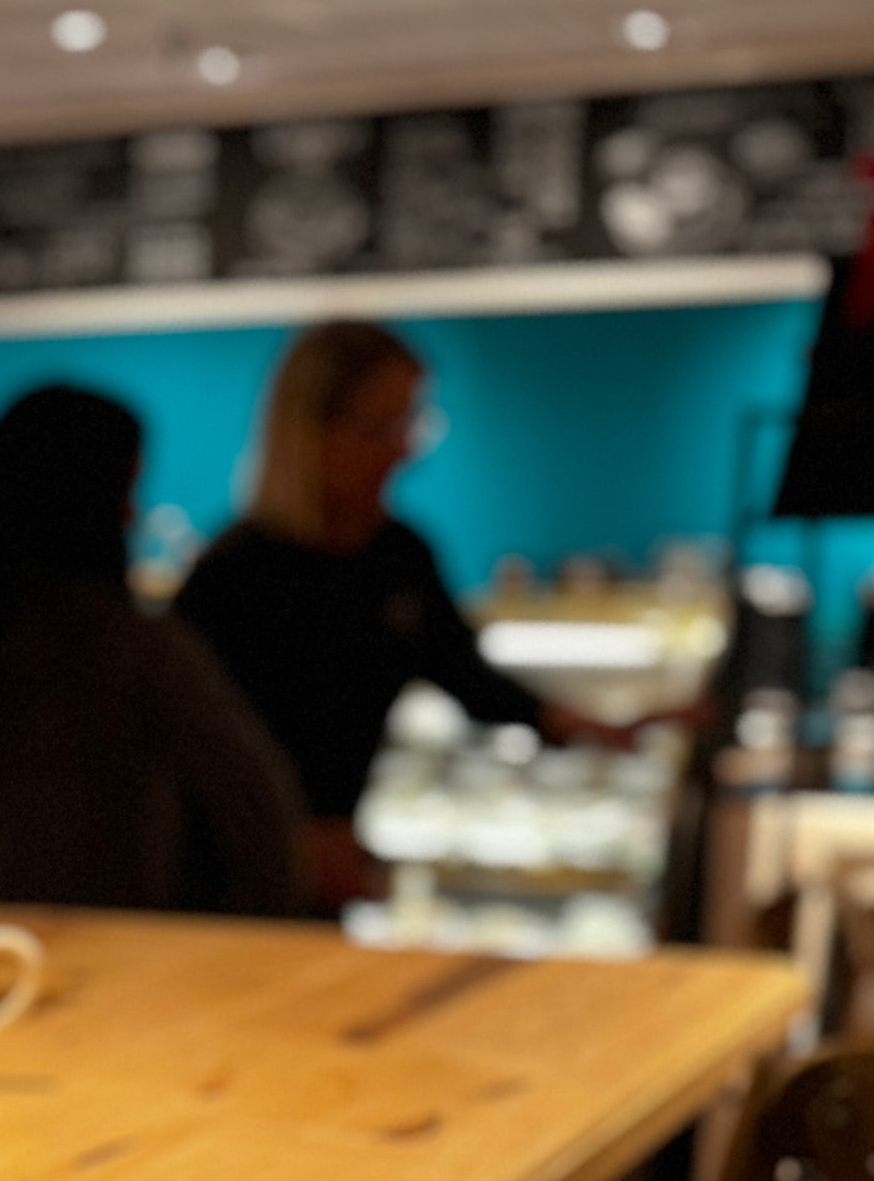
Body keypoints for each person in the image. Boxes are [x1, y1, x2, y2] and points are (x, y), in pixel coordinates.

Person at [0, 384, 303, 917]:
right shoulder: (142, 655)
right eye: (127, 492)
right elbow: (265, 832)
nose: (133, 516)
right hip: (110, 975)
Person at [176, 320, 626, 906]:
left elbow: (464, 671)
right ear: (312, 429)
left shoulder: (398, 555)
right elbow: (191, 755)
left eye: (412, 424)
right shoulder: (233, 574)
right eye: (382, 427)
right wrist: (288, 839)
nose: (404, 449)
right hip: (227, 880)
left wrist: (579, 724)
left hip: (333, 871)